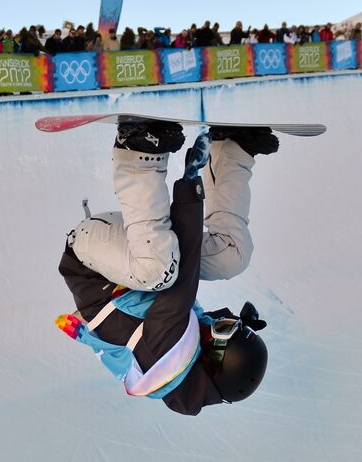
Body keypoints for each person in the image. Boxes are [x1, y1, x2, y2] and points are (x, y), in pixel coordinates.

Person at [57, 120, 278, 415]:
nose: (218, 323)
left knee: (159, 271)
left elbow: (183, 275)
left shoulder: (168, 355)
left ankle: (136, 151)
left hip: (90, 258)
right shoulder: (193, 355)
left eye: (223, 331)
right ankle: (233, 149)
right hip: (130, 259)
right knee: (231, 256)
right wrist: (236, 325)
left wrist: (190, 183)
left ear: (214, 358)